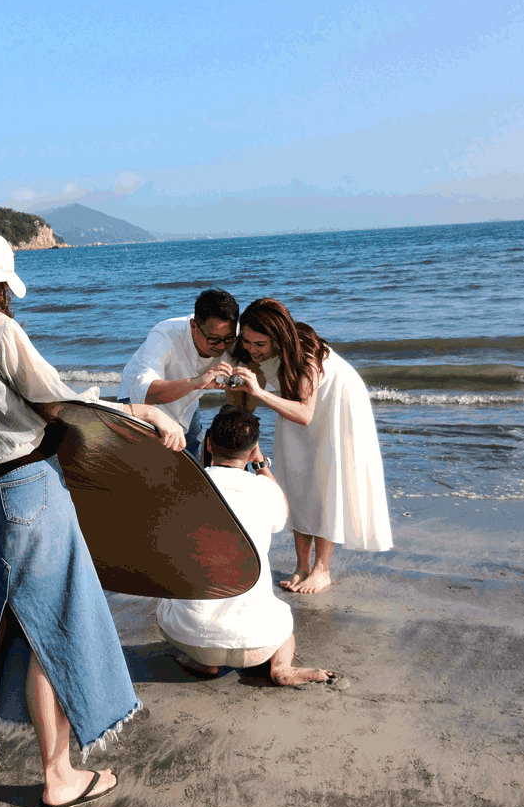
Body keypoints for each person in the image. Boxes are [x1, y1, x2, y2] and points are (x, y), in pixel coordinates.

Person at [0, 227, 184, 807]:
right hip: (27, 491)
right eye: (2, 286)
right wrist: (140, 410)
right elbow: (57, 403)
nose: (6, 297)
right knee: (55, 624)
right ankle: (58, 773)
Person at [227, 298, 392, 593]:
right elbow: (248, 406)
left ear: (278, 338)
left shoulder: (305, 354)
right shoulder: (249, 347)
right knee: (295, 477)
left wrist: (258, 392)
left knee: (326, 481)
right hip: (294, 403)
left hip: (335, 404)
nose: (252, 349)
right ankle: (301, 566)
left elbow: (304, 414)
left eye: (260, 345)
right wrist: (237, 384)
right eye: (247, 341)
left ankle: (322, 569)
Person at [158, 410, 335, 684]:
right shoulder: (264, 490)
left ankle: (205, 663)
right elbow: (283, 514)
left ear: (207, 444)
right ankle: (281, 667)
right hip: (256, 643)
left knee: (171, 601)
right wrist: (262, 463)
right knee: (284, 624)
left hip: (190, 635)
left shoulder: (181, 484)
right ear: (252, 452)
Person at [118, 289, 241, 459]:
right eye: (213, 340)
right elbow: (145, 392)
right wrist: (197, 382)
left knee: (192, 467)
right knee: (147, 467)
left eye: (228, 339)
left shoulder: (233, 333)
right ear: (193, 326)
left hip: (188, 405)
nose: (221, 346)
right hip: (139, 405)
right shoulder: (165, 334)